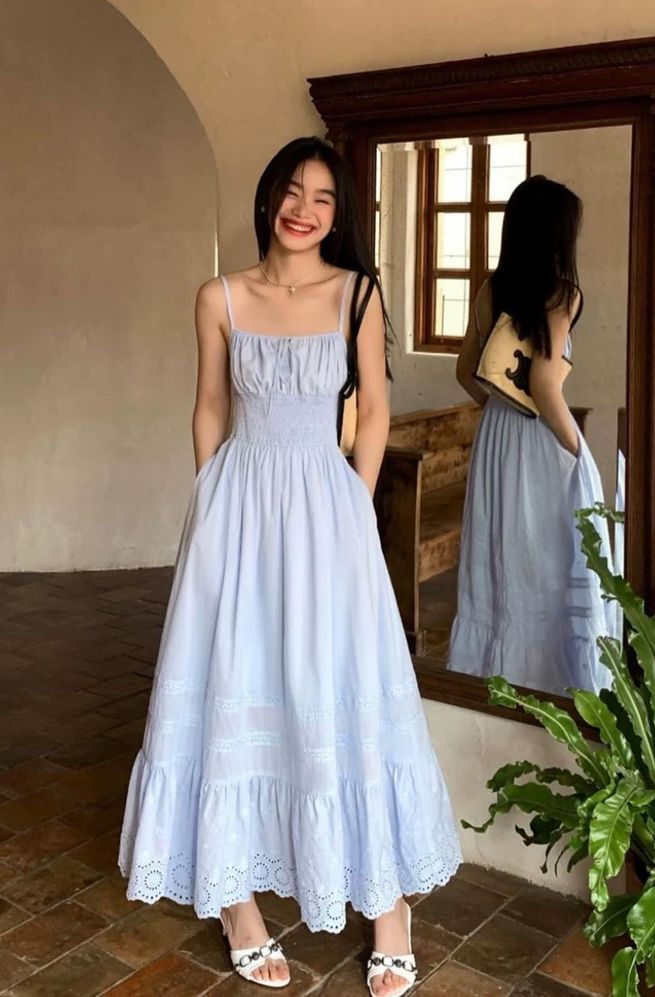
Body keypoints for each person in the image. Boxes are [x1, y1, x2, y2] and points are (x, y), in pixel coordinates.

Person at [117, 136, 461, 995]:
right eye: (292, 191)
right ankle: (236, 902)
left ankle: (387, 903)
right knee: (238, 679)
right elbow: (209, 406)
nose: (303, 210)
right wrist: (210, 507)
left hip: (325, 507)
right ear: (270, 195)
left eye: (323, 199)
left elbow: (374, 410)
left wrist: (354, 506)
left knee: (341, 682)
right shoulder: (220, 296)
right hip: (236, 509)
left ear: (338, 217)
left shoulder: (357, 294)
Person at [447, 175, 616, 694]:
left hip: (497, 436)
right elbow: (545, 384)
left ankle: (494, 677)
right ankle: (549, 685)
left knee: (500, 551)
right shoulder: (563, 295)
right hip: (541, 437)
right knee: (545, 555)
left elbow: (465, 372)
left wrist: (500, 412)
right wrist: (576, 447)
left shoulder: (489, 288)